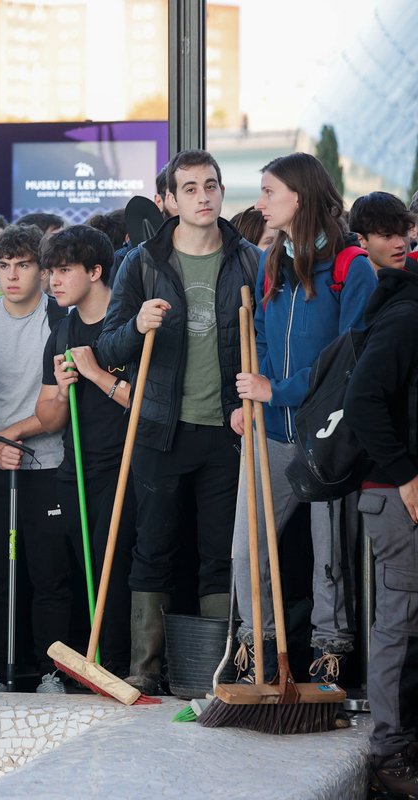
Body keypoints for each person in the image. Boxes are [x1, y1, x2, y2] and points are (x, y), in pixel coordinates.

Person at [95, 149, 260, 695]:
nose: (203, 197)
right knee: (152, 548)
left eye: (211, 185)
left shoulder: (249, 260)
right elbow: (108, 345)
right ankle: (145, 668)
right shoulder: (143, 262)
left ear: (222, 191)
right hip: (159, 427)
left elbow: (265, 341)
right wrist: (137, 325)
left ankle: (217, 668)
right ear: (168, 199)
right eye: (189, 188)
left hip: (228, 429)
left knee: (221, 553)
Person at [233, 152, 377, 681]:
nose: (260, 203)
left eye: (269, 191)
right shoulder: (272, 260)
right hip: (272, 430)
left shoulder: (350, 266)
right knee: (247, 550)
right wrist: (254, 396)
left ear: (299, 196)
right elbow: (261, 336)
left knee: (330, 553)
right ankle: (259, 651)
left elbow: (351, 361)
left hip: (328, 435)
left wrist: (277, 390)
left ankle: (330, 653)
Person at [0, 223, 71, 693]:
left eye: (23, 265)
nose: (12, 275)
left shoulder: (62, 320)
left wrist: (10, 438)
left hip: (47, 464)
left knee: (50, 575)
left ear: (42, 271)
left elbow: (60, 407)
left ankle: (52, 671)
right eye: (4, 266)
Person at [34, 225, 135, 679]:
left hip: (125, 467)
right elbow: (49, 416)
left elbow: (149, 403)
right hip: (74, 469)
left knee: (115, 569)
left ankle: (119, 664)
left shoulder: (127, 323)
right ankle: (100, 662)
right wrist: (61, 389)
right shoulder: (62, 331)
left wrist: (95, 373)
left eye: (64, 270)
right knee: (87, 569)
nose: (53, 281)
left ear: (95, 271)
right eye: (51, 271)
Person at [344, 259, 418, 798]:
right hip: (397, 494)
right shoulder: (407, 314)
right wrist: (406, 475)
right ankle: (390, 756)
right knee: (402, 622)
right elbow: (362, 401)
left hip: (400, 488)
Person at [348, 192, 416, 273]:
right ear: (361, 240)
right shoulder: (347, 278)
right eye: (387, 236)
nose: (401, 244)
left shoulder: (414, 269)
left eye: (403, 232)